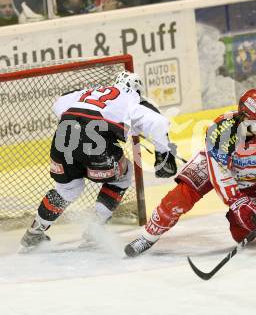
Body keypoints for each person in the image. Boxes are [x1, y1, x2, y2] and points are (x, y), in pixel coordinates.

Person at [124, 89, 256, 257]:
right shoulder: (221, 130)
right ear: (245, 119)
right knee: (179, 198)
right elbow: (220, 174)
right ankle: (147, 237)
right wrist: (237, 203)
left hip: (252, 179)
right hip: (212, 168)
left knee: (242, 233)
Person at [20, 70, 178, 250]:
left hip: (63, 136)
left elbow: (59, 104)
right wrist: (164, 156)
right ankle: (94, 230)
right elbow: (158, 123)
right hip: (94, 141)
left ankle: (34, 233)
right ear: (136, 89)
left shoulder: (89, 92)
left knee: (67, 189)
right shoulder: (132, 97)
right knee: (123, 175)